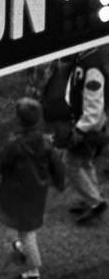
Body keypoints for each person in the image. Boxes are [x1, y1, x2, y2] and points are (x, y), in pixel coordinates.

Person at [0, 97, 66, 279]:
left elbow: (0, 164)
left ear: (19, 120)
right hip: (37, 192)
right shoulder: (46, 142)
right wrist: (60, 183)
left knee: (26, 232)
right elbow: (58, 166)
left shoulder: (16, 144)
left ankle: (33, 270)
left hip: (19, 193)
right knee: (27, 227)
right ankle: (25, 249)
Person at [43, 47, 109, 223]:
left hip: (87, 126)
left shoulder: (92, 66)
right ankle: (93, 197)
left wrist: (80, 130)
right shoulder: (85, 57)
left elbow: (94, 107)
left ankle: (95, 202)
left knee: (71, 164)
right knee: (85, 161)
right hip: (84, 122)